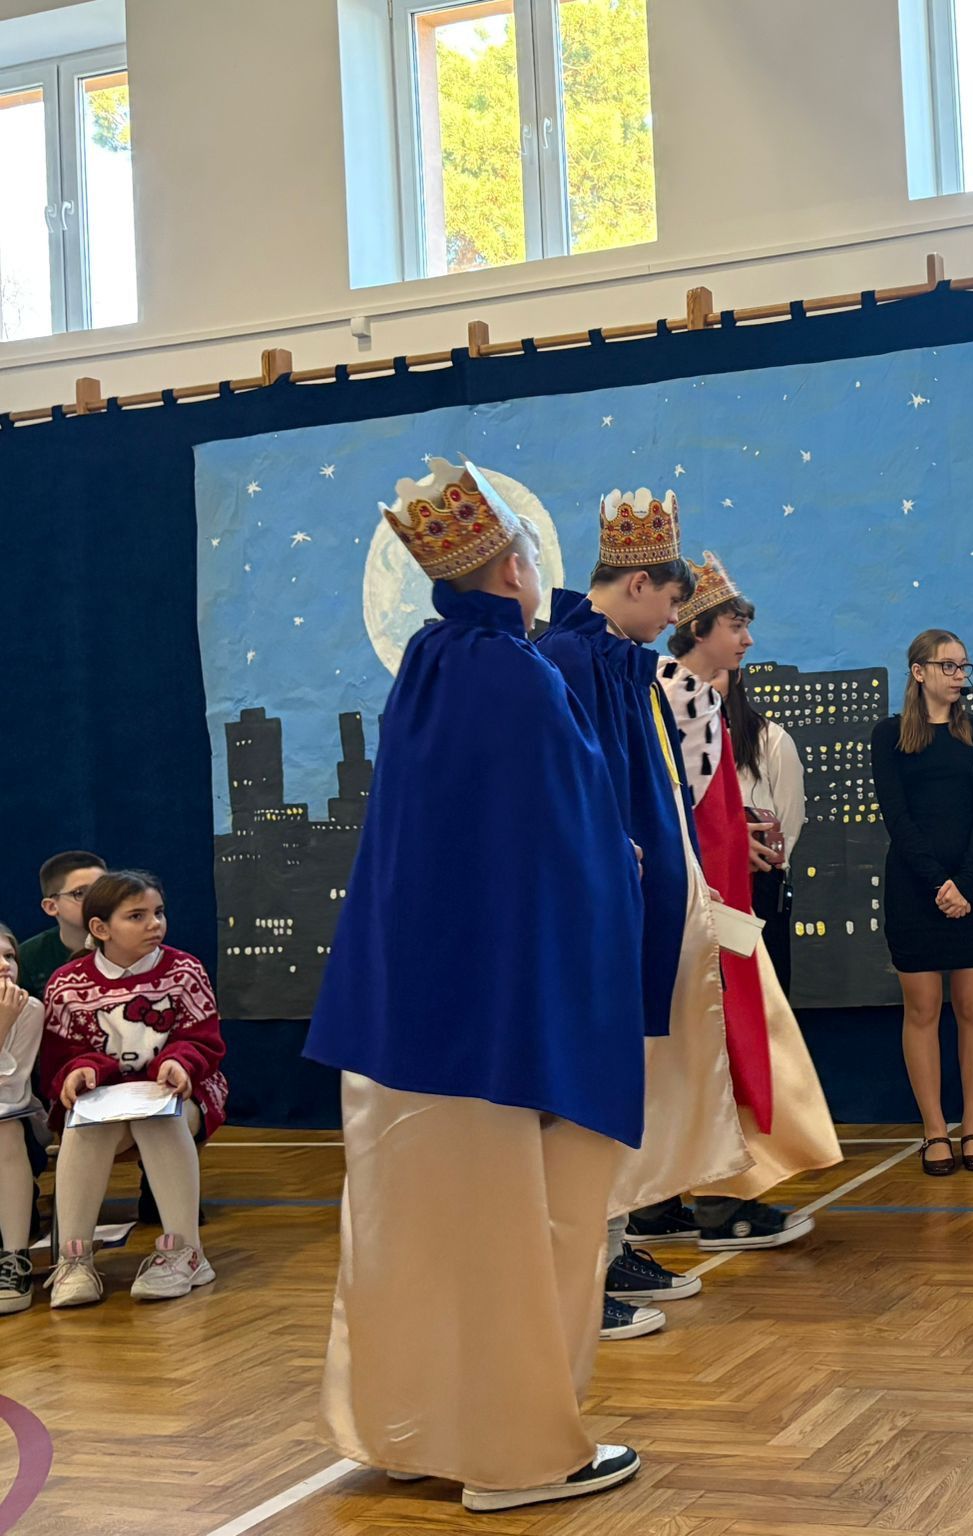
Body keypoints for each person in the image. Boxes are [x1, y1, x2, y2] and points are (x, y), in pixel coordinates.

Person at [304, 458, 647, 1513]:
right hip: (499, 1029)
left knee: (413, 1231)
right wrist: (621, 865)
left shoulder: (425, 664)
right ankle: (513, 1456)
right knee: (516, 1233)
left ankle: (413, 1430)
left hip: (405, 1019)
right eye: (534, 557)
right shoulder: (515, 675)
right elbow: (564, 841)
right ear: (509, 570)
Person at [534, 488, 751, 1343]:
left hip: (635, 895)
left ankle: (615, 1242)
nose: (673, 618)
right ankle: (582, 1269)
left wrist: (684, 873)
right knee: (591, 1087)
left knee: (631, 1075)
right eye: (669, 600)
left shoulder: (622, 660)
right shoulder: (567, 657)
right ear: (635, 584)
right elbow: (572, 779)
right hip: (593, 904)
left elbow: (652, 781)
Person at [636, 552, 841, 1251]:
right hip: (700, 912)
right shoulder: (680, 696)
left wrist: (730, 837)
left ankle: (658, 1198)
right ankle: (723, 1203)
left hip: (699, 900)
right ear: (697, 628)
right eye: (734, 625)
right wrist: (711, 854)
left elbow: (690, 808)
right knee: (718, 1046)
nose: (746, 639)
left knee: (681, 1054)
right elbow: (669, 807)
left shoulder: (676, 693)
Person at [38, 871, 228, 1306]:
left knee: (157, 1117)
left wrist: (179, 1062)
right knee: (84, 1123)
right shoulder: (67, 984)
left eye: (158, 912)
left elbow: (204, 1041)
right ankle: (74, 1257)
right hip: (106, 1102)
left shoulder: (184, 970)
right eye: (137, 916)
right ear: (100, 928)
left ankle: (186, 1251)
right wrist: (81, 1070)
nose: (154, 924)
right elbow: (61, 1058)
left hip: (181, 1093)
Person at [869, 629, 973, 1177]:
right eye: (948, 666)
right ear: (918, 671)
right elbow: (896, 817)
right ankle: (934, 1130)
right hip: (913, 886)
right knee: (922, 1009)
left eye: (964, 667)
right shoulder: (888, 735)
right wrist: (937, 885)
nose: (959, 676)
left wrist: (964, 883)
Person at [725, 665, 806, 993]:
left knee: (760, 990)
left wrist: (759, 858)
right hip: (699, 885)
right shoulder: (676, 739)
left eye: (715, 673)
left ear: (736, 676)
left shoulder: (772, 739)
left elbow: (789, 820)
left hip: (757, 885)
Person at [0, 924, 46, 1315]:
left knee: (6, 1129)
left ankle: (15, 1260)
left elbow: (10, 1092)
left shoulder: (29, 1010)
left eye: (9, 956)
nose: (4, 966)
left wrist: (3, 1025)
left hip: (13, 1124)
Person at [16, 851, 105, 999]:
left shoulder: (131, 943)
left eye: (103, 889)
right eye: (80, 893)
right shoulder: (28, 957)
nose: (97, 899)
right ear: (51, 906)